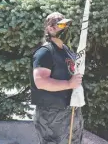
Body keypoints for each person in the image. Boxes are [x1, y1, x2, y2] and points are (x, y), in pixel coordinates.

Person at [30, 12, 84, 144]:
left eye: (66, 25)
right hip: (51, 115)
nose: (65, 28)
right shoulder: (45, 52)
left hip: (71, 111)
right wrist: (68, 84)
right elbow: (40, 82)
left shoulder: (67, 51)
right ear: (50, 28)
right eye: (61, 25)